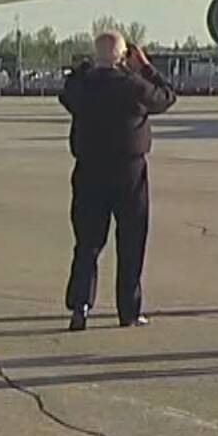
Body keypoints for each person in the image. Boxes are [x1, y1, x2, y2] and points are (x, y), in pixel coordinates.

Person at [59, 31, 177, 331]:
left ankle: (80, 306)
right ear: (124, 58)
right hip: (129, 172)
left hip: (88, 171)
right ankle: (128, 310)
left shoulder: (82, 87)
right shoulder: (133, 85)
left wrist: (89, 66)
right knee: (131, 241)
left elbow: (67, 88)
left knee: (87, 242)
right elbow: (166, 96)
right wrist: (145, 67)